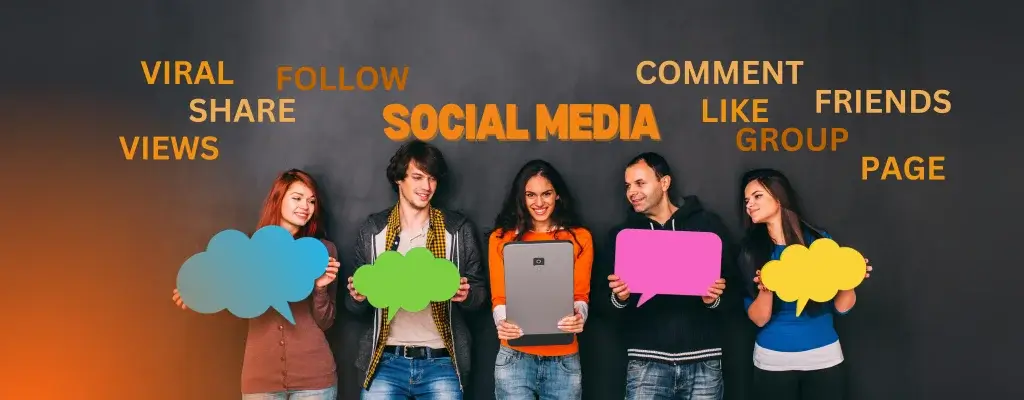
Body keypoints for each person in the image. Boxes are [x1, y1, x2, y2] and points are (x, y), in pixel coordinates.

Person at [171, 169, 341, 400]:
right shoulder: (247, 248)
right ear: (278, 199)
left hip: (315, 378)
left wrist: (320, 288)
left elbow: (326, 321)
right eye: (297, 198)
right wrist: (198, 297)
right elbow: (230, 301)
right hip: (261, 379)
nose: (306, 206)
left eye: (311, 201)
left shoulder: (322, 251)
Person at [344, 140, 488, 400]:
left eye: (432, 179)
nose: (426, 187)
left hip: (441, 363)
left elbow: (479, 295)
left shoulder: (456, 231)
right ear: (399, 179)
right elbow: (354, 305)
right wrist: (357, 297)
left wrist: (467, 296)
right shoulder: (374, 231)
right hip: (385, 361)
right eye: (418, 177)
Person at [603, 152, 737, 400]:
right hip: (646, 363)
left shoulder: (708, 226)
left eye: (640, 183)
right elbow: (604, 306)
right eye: (628, 186)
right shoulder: (622, 237)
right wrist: (618, 297)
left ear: (664, 183)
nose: (632, 191)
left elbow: (736, 292)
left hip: (703, 362)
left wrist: (714, 299)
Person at [738, 168, 872, 400]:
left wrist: (849, 278)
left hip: (824, 357)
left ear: (779, 198)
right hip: (773, 360)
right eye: (747, 200)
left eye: (758, 196)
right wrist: (766, 288)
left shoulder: (820, 242)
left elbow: (842, 308)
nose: (750, 204)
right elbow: (759, 318)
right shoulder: (750, 252)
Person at [487, 159, 594, 400]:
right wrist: (502, 322)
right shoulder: (501, 238)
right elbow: (500, 298)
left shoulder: (579, 238)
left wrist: (580, 316)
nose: (539, 203)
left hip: (564, 359)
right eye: (531, 195)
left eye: (546, 194)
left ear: (557, 195)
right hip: (514, 356)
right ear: (521, 198)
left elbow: (580, 296)